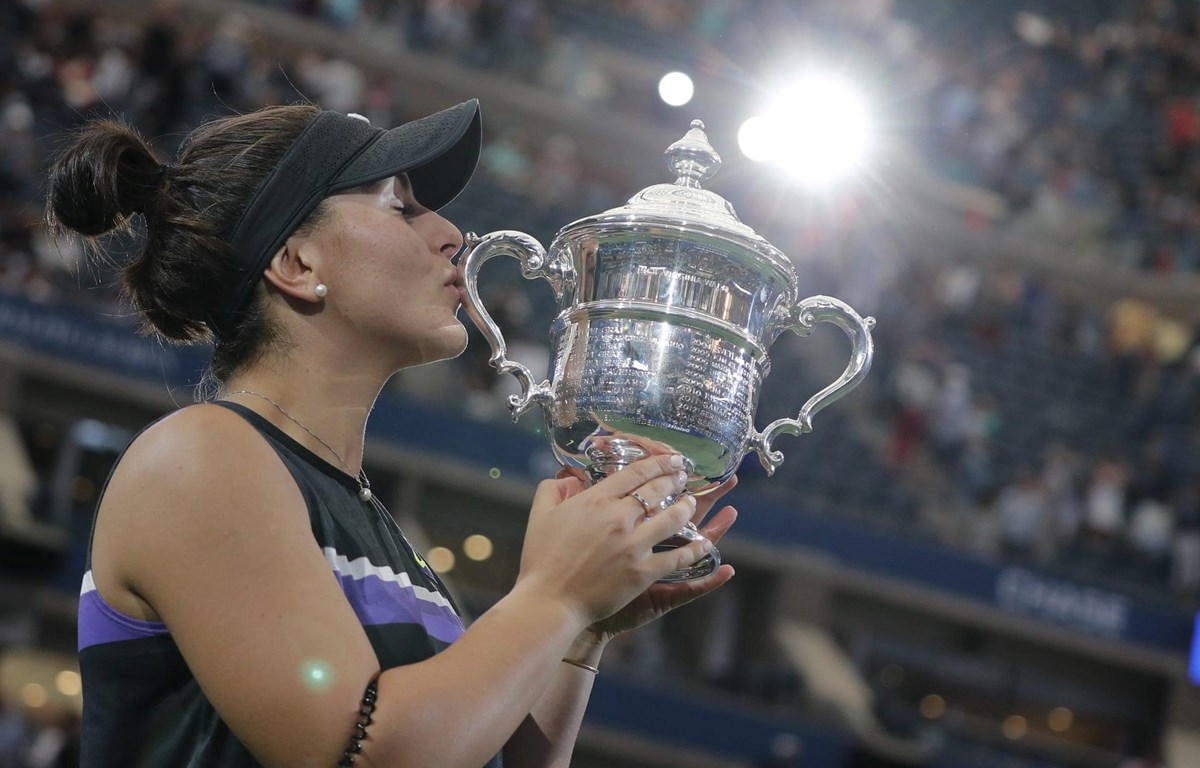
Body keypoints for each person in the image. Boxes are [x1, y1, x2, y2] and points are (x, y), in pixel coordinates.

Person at [45, 99, 739, 767]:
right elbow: (368, 753)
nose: (451, 233)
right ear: (298, 265)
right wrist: (555, 595)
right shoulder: (199, 458)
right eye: (399, 206)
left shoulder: (368, 521)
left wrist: (582, 628)